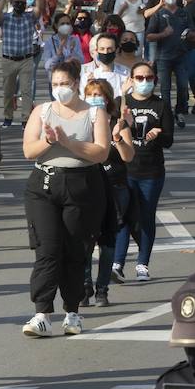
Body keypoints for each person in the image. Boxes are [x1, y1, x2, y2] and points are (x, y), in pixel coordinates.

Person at [21, 60, 111, 337]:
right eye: (55, 84)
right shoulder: (43, 111)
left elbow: (101, 152)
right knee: (47, 249)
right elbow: (28, 150)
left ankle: (72, 311)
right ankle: (42, 313)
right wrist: (49, 141)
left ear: (76, 84)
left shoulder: (95, 114)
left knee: (75, 250)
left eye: (65, 84)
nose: (60, 89)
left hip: (82, 185)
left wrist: (68, 143)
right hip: (44, 184)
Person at [114, 62, 174, 284]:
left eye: (149, 78)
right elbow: (114, 130)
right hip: (125, 170)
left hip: (152, 171)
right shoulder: (124, 103)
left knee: (146, 216)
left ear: (155, 80)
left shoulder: (161, 105)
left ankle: (142, 264)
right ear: (131, 79)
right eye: (139, 77)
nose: (144, 82)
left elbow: (169, 140)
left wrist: (158, 134)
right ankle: (117, 264)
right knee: (124, 216)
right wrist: (121, 98)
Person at [83, 80, 134, 309]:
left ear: (108, 98)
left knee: (107, 242)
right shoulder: (81, 122)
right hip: (87, 187)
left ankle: (102, 290)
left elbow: (128, 156)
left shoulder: (118, 123)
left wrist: (117, 138)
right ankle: (84, 287)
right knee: (84, 241)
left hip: (115, 188)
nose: (96, 98)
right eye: (91, 94)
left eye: (100, 95)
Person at [147, 0, 190, 128]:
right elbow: (149, 36)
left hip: (181, 56)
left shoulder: (184, 14)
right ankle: (167, 115)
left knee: (183, 86)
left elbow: (194, 33)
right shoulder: (158, 15)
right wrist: (163, 34)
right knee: (165, 88)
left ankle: (180, 111)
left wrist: (189, 34)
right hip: (163, 57)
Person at [0, 0, 40, 127]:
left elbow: (40, 8)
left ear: (26, 4)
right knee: (8, 91)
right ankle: (8, 117)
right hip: (8, 59)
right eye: (17, 2)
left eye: (22, 2)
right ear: (12, 3)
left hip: (26, 59)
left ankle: (25, 119)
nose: (19, 4)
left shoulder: (30, 17)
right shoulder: (6, 18)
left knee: (26, 91)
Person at [80, 32, 129, 100]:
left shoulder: (126, 74)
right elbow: (83, 100)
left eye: (109, 49)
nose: (105, 52)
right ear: (97, 51)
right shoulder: (87, 77)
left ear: (116, 50)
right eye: (102, 49)